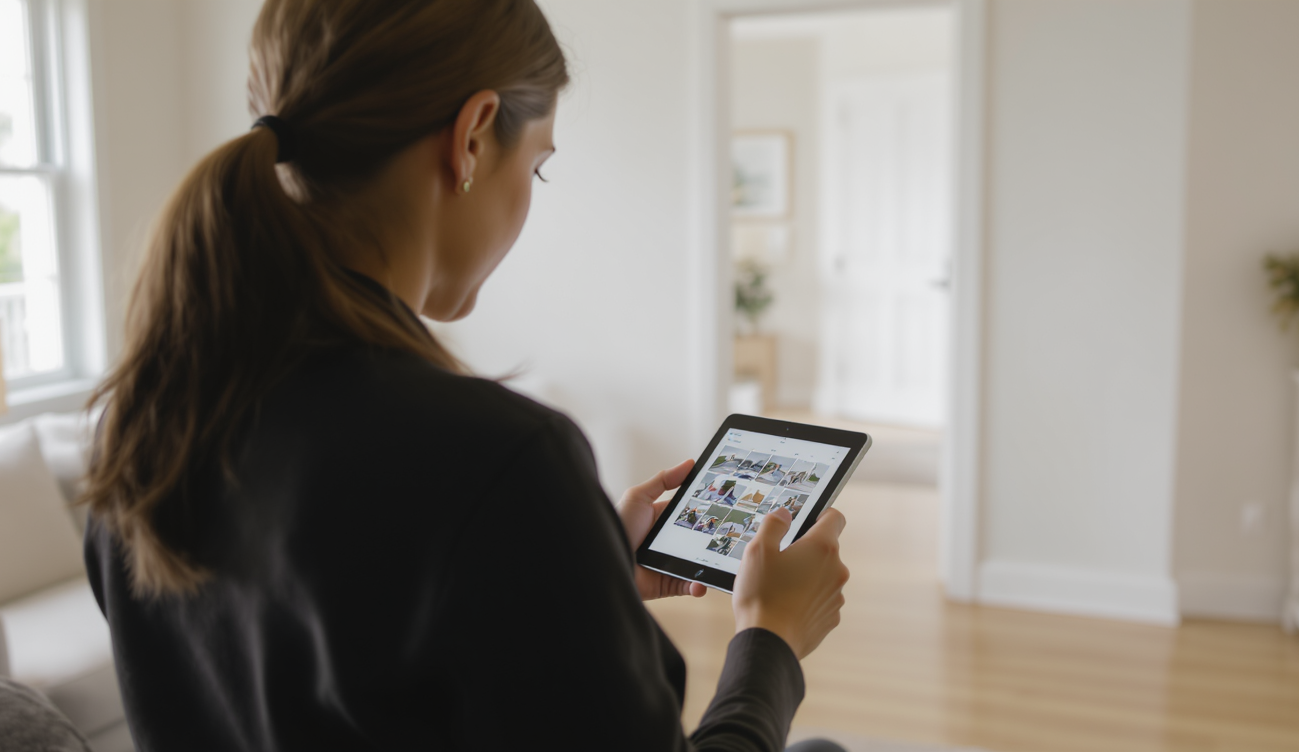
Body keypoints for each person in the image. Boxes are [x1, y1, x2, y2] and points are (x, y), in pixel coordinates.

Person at [79, 1, 849, 750]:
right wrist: (770, 640)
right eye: (539, 168)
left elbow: (353, 643)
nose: (530, 199)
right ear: (474, 136)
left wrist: (587, 565)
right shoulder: (500, 458)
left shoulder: (145, 431)